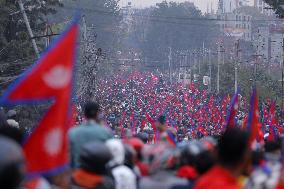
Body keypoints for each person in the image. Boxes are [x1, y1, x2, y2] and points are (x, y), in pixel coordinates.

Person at [69, 102, 113, 168]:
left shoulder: (73, 133)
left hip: (78, 172)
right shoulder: (106, 132)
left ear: (84, 114)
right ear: (98, 114)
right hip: (99, 173)